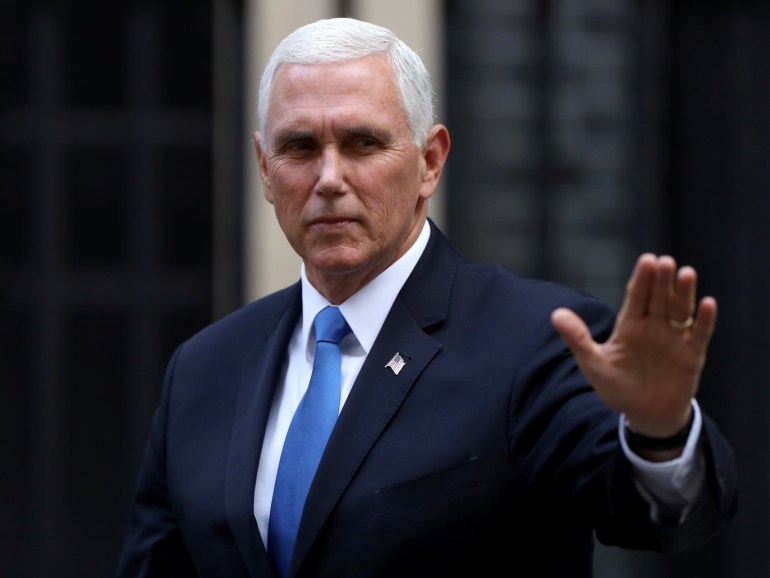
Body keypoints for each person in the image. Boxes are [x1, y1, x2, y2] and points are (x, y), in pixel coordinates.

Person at [116, 17, 737, 578]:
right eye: (300, 147)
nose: (329, 179)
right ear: (264, 168)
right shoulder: (204, 369)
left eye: (363, 143)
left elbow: (646, 515)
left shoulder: (533, 341)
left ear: (430, 161)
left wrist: (659, 433)